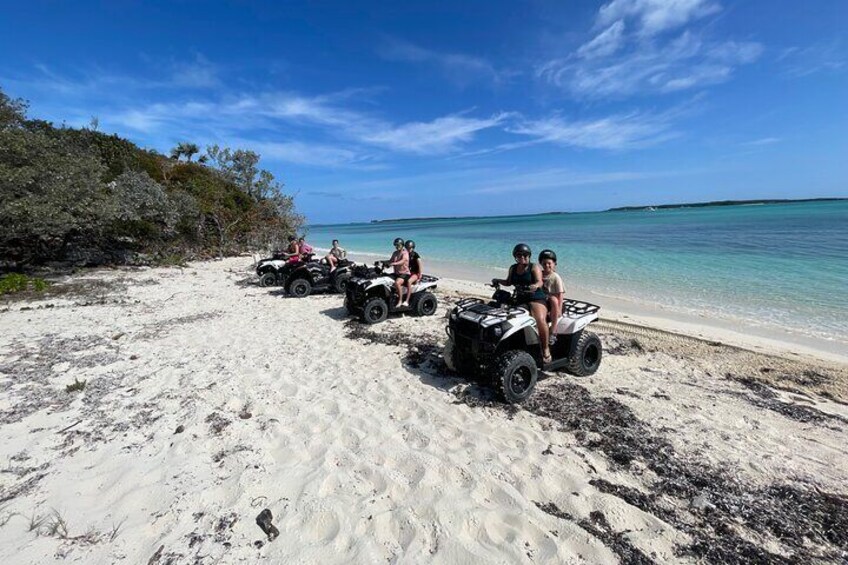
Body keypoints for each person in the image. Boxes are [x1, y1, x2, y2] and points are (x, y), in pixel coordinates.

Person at [492, 243, 551, 363]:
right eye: (519, 255)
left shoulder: (534, 267)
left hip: (536, 298)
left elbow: (540, 282)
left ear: (529, 256)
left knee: (539, 320)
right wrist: (497, 280)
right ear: (515, 256)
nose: (522, 257)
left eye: (525, 255)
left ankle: (545, 348)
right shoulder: (513, 268)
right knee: (508, 318)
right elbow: (508, 282)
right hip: (520, 299)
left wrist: (534, 286)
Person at [539, 249, 564, 344]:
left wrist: (559, 309)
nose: (546, 265)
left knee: (553, 299)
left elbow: (560, 294)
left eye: (549, 263)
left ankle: (553, 330)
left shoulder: (555, 277)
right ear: (541, 263)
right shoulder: (539, 274)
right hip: (540, 299)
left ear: (554, 264)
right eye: (544, 263)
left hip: (552, 302)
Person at [387, 237, 410, 309]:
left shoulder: (405, 253)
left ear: (402, 245)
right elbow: (390, 260)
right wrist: (383, 262)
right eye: (396, 245)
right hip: (396, 273)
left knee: (397, 283)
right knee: (386, 279)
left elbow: (403, 261)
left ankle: (400, 300)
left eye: (398, 245)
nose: (397, 247)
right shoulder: (395, 253)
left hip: (405, 274)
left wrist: (394, 263)